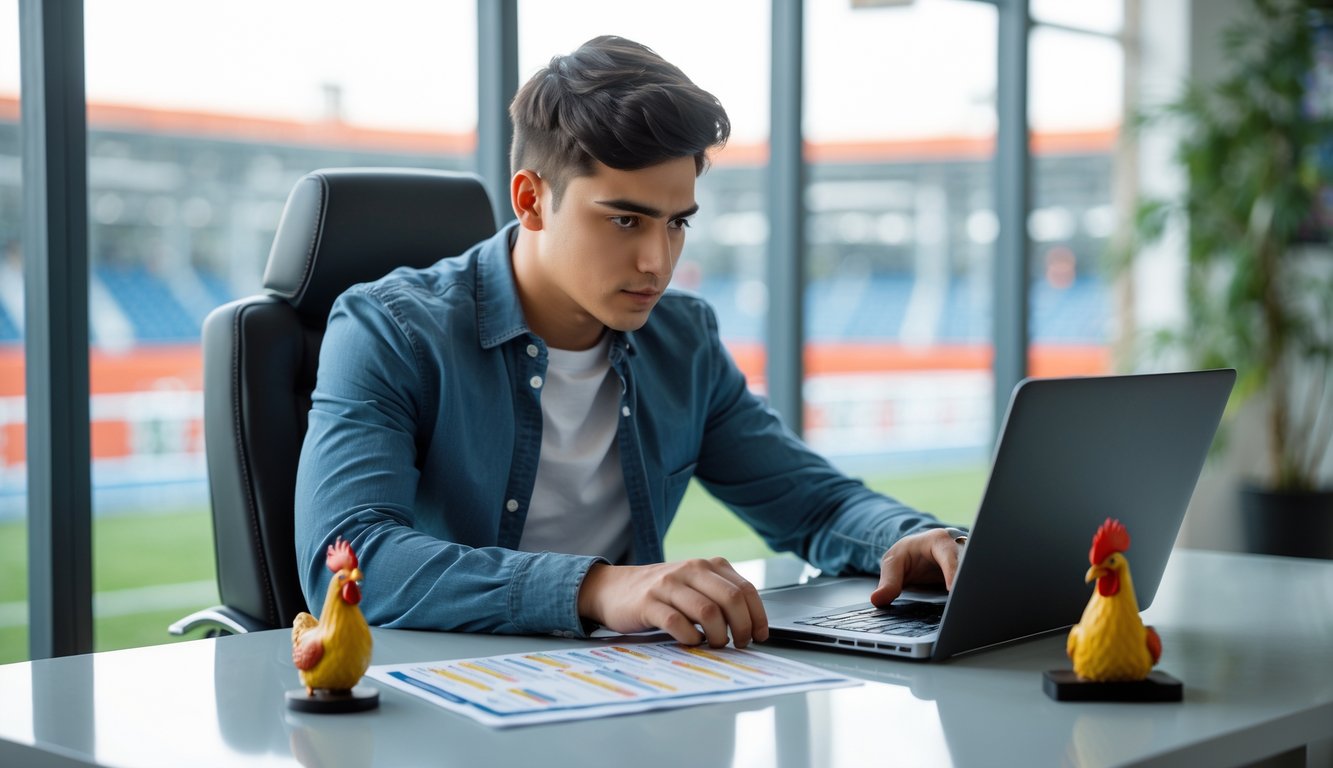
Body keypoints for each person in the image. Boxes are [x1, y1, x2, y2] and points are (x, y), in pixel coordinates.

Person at [294, 35, 965, 650]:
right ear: (531, 200)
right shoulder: (389, 330)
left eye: (677, 224)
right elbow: (353, 560)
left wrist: (910, 538)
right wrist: (600, 587)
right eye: (624, 219)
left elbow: (815, 504)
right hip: (443, 693)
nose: (657, 261)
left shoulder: (684, 340)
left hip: (631, 688)